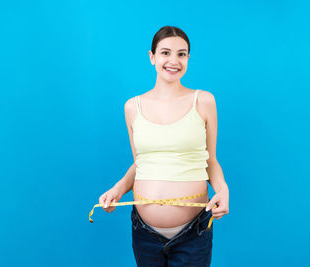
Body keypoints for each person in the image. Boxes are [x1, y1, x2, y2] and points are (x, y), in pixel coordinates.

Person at [98, 25, 229, 267]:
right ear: (152, 57)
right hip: (144, 232)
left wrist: (223, 191)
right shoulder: (132, 107)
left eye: (182, 54)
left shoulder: (204, 101)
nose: (174, 60)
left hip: (194, 231)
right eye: (165, 53)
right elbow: (140, 164)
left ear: (188, 58)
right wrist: (117, 189)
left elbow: (211, 161)